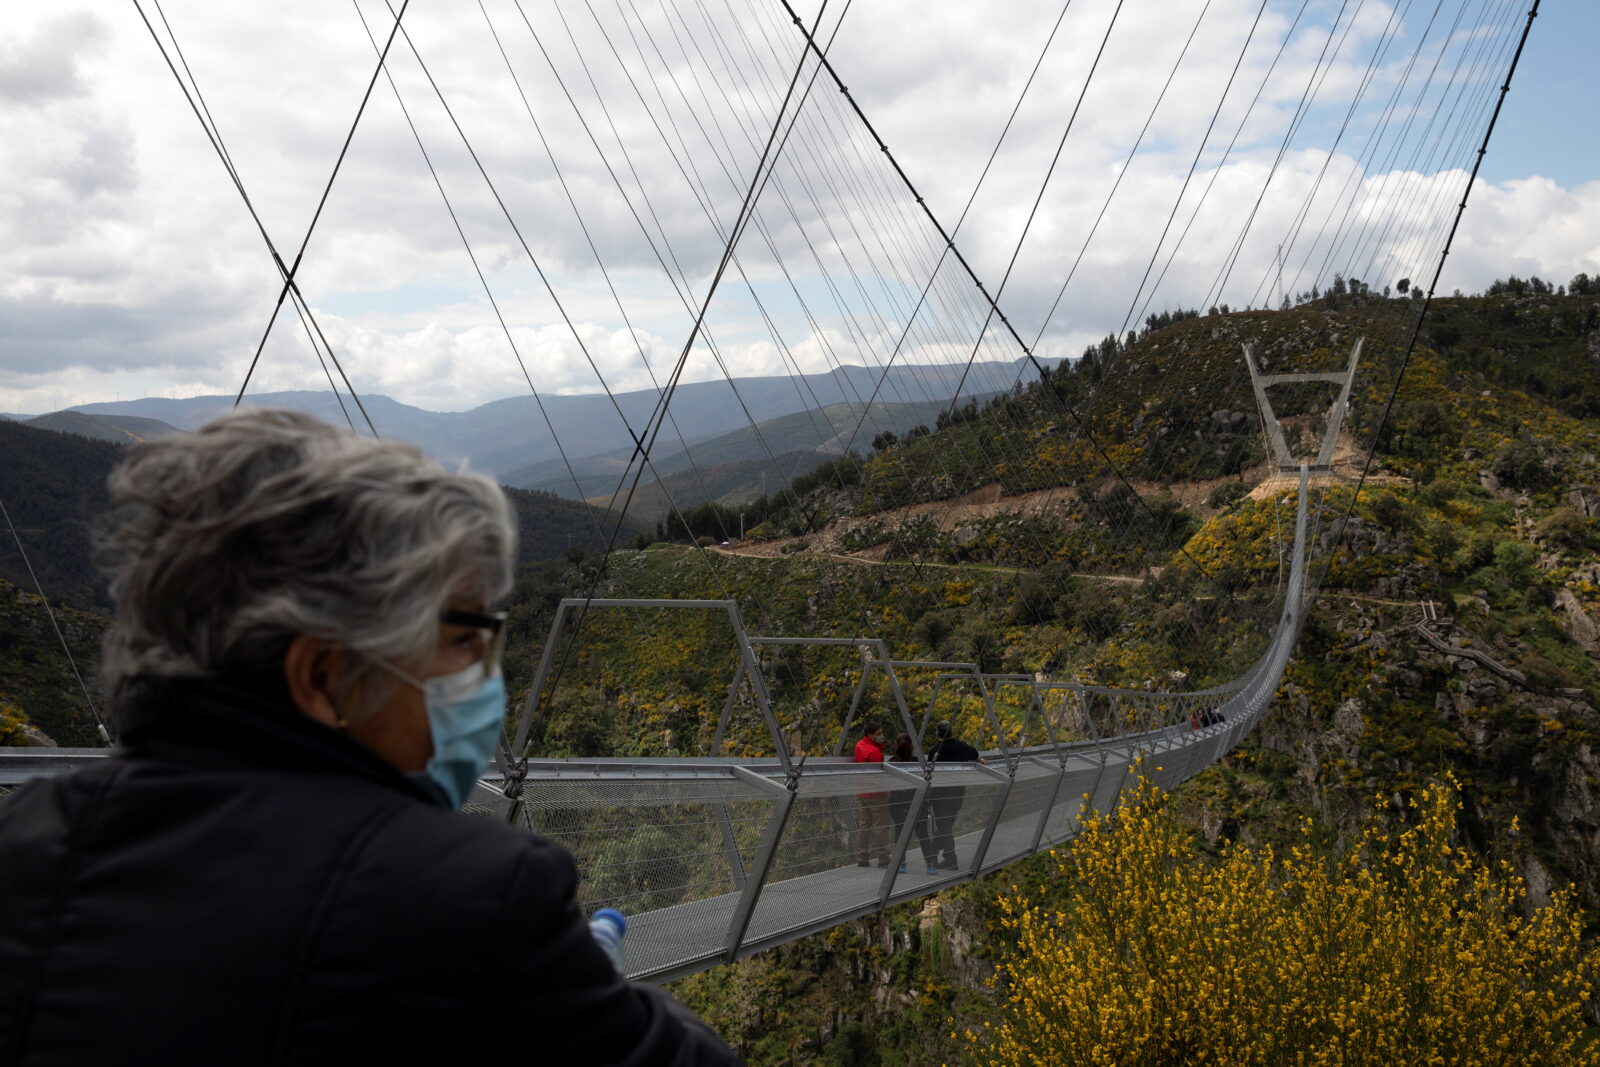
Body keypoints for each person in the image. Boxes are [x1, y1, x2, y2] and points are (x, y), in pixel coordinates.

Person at [0, 409, 740, 1065]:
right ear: (324, 675)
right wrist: (582, 993)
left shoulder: (24, 839)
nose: (486, 677)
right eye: (467, 639)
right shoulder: (468, 896)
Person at [928, 719, 983, 871]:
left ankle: (939, 854)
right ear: (953, 732)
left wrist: (928, 797)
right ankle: (945, 857)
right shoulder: (963, 747)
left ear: (937, 733)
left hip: (940, 795)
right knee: (946, 826)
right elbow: (976, 756)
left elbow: (929, 775)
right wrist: (981, 761)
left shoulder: (934, 751)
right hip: (958, 793)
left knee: (943, 826)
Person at [887, 733, 939, 876]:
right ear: (911, 746)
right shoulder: (918, 762)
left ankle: (901, 863)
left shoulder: (891, 762)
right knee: (922, 833)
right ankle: (931, 864)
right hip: (916, 800)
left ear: (897, 745)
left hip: (897, 802)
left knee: (900, 831)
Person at [852, 720, 891, 867]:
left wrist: (879, 744)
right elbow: (878, 773)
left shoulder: (860, 746)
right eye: (878, 734)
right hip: (876, 793)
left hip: (862, 790)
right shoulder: (874, 752)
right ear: (870, 734)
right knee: (881, 825)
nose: (881, 735)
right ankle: (883, 857)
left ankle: (862, 857)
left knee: (864, 824)